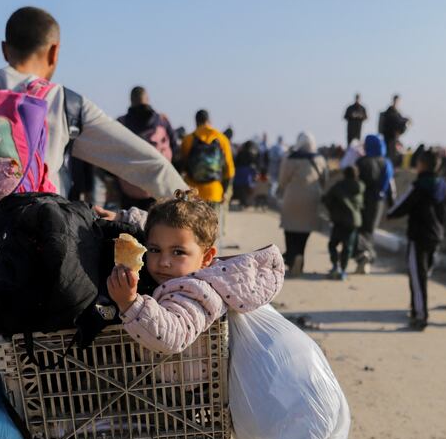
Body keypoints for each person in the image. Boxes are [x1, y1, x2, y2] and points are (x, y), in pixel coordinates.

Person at [0, 7, 186, 363]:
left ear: (4, 48)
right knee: (39, 385)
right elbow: (144, 162)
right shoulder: (62, 101)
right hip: (38, 258)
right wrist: (191, 211)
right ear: (55, 51)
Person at [106, 190, 284, 378]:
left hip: (176, 396)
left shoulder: (196, 291)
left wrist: (129, 303)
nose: (163, 261)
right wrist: (123, 217)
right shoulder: (194, 275)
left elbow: (170, 337)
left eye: (177, 253)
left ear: (207, 257)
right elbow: (154, 228)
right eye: (154, 249)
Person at [386, 149, 446, 330]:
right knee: (423, 275)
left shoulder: (419, 185)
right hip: (436, 235)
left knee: (417, 277)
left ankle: (421, 315)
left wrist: (390, 211)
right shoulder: (443, 185)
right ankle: (416, 309)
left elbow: (400, 206)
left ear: (422, 164)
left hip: (418, 236)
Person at [115, 86, 178, 210]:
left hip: (128, 187)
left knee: (129, 224)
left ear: (131, 100)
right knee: (154, 225)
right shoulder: (162, 121)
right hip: (157, 185)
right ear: (147, 99)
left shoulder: (121, 123)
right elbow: (175, 149)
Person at [276, 131, 328, 276]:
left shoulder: (289, 158)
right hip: (312, 200)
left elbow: (282, 180)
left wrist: (280, 190)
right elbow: (325, 180)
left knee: (290, 230)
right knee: (304, 232)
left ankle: (292, 257)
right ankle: (300, 254)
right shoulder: (320, 159)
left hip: (292, 198)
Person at [354, 133, 396, 274]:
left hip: (361, 202)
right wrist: (392, 206)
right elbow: (391, 186)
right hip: (378, 203)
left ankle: (362, 255)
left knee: (359, 229)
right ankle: (367, 257)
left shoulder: (361, 162)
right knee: (370, 231)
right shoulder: (387, 163)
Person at [179, 110, 235, 209]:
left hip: (192, 193)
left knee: (192, 224)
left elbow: (180, 166)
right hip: (214, 192)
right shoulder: (222, 139)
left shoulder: (188, 139)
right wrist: (225, 192)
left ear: (196, 122)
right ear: (209, 120)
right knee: (212, 224)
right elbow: (229, 171)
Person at [322, 165, 364, 280]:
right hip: (354, 222)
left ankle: (335, 266)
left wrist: (333, 211)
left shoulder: (338, 186)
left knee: (332, 244)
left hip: (339, 221)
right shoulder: (360, 187)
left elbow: (326, 200)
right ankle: (343, 270)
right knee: (347, 247)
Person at [379, 95, 410, 162]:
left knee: (392, 154)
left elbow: (401, 121)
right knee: (389, 154)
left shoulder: (397, 113)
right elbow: (394, 122)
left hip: (394, 137)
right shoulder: (390, 111)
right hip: (388, 136)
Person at [232, 140, 261, 209]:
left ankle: (242, 202)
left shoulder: (240, 153)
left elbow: (235, 163)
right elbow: (255, 165)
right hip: (247, 176)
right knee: (246, 190)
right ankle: (244, 203)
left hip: (239, 174)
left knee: (240, 189)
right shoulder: (252, 154)